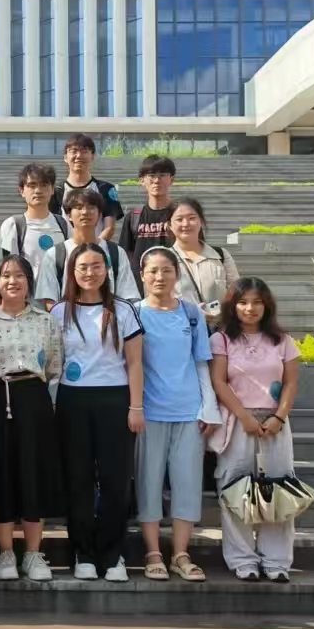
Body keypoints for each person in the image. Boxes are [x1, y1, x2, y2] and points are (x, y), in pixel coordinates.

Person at [50, 243, 144, 583]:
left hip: (115, 400)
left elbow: (135, 363)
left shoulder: (123, 310)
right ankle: (84, 554)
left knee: (115, 480)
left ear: (107, 271)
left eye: (96, 266)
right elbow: (53, 362)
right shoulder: (59, 311)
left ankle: (112, 554)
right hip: (72, 401)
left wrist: (136, 407)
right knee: (78, 480)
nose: (90, 273)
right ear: (72, 272)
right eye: (83, 267)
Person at [134, 247, 221, 583]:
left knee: (187, 484)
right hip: (149, 413)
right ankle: (153, 553)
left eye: (166, 270)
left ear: (177, 274)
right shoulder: (134, 313)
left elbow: (201, 362)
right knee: (149, 482)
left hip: (188, 412)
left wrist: (208, 407)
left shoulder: (191, 313)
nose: (160, 277)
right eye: (153, 271)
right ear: (142, 275)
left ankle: (181, 554)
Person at [210, 277, 300, 583]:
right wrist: (244, 416)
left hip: (275, 424)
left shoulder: (283, 340)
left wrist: (278, 417)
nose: (250, 308)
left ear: (267, 305)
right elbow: (219, 381)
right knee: (234, 489)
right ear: (232, 306)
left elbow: (290, 383)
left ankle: (276, 561)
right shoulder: (221, 340)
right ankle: (243, 559)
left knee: (279, 490)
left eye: (257, 302)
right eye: (243, 302)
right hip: (237, 423)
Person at [0, 255, 64, 582]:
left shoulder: (45, 320)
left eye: (19, 276)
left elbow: (54, 365)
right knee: (2, 473)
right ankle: (5, 553)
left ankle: (32, 553)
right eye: (6, 276)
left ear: (29, 282)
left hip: (34, 398)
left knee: (33, 473)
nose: (12, 281)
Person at [34, 189, 139, 307]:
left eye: (91, 207)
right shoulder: (55, 254)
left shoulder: (116, 252)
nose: (85, 212)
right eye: (78, 207)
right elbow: (49, 299)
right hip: (67, 317)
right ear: (69, 215)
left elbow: (127, 294)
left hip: (109, 316)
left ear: (99, 214)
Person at [0, 163, 70, 286]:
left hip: (58, 295)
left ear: (52, 189)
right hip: (27, 295)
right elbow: (6, 268)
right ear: (22, 191)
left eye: (44, 185)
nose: (38, 191)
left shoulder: (64, 224)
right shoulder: (13, 225)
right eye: (32, 185)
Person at [170, 198, 240, 327]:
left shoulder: (221, 256)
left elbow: (237, 295)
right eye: (179, 219)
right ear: (169, 225)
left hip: (219, 332)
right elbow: (157, 303)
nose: (186, 224)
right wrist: (194, 314)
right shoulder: (165, 259)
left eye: (192, 218)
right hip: (180, 331)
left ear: (201, 221)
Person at [49, 133, 122, 240]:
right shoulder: (56, 191)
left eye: (84, 151)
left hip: (97, 248)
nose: (79, 156)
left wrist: (93, 247)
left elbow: (109, 228)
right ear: (65, 157)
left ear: (92, 156)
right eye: (74, 151)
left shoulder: (105, 189)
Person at [120, 155, 177, 276]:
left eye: (162, 175)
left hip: (175, 280)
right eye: (151, 175)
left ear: (171, 179)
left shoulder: (182, 216)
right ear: (142, 180)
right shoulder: (133, 217)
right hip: (141, 282)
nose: (156, 180)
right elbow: (125, 255)